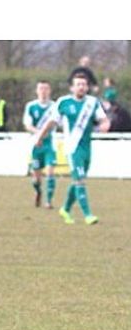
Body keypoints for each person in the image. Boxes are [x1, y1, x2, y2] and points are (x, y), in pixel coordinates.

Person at [35, 73, 110, 225]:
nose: (81, 87)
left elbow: (103, 119)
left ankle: (65, 209)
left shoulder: (92, 102)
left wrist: (104, 124)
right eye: (78, 84)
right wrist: (40, 137)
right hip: (72, 148)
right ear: (72, 87)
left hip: (86, 148)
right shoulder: (63, 102)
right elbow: (51, 122)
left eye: (84, 84)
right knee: (80, 180)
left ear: (87, 87)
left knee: (78, 180)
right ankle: (88, 215)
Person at [22, 80, 57, 209]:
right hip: (36, 145)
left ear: (49, 91)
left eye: (46, 89)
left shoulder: (54, 106)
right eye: (41, 89)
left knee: (50, 172)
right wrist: (39, 133)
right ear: (37, 91)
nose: (43, 91)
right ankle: (38, 191)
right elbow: (28, 125)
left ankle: (49, 201)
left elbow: (56, 122)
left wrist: (45, 133)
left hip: (49, 145)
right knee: (36, 178)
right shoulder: (31, 106)